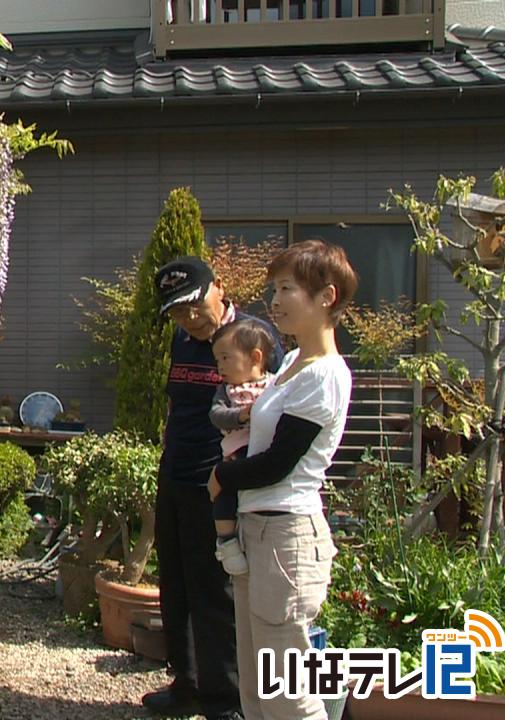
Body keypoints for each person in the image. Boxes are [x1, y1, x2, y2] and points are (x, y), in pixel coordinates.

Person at [208, 239, 357, 720]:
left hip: (288, 535)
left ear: (326, 297)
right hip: (260, 529)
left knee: (287, 692)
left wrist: (221, 476)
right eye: (274, 288)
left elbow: (277, 462)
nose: (274, 301)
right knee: (256, 689)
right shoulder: (292, 363)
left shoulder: (326, 375)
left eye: (287, 288)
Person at [143, 257, 284, 720]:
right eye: (177, 312)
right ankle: (186, 685)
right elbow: (177, 407)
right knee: (176, 587)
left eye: (193, 306)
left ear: (218, 288)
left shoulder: (253, 338)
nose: (188, 318)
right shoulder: (182, 339)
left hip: (219, 484)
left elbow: (277, 410)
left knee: (215, 593)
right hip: (175, 474)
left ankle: (224, 702)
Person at [208, 319, 277, 575]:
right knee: (223, 497)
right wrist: (240, 415)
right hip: (236, 455)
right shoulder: (226, 392)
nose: (220, 366)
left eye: (226, 358)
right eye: (217, 360)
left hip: (266, 455)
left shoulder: (275, 385)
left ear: (255, 357)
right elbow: (216, 415)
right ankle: (226, 541)